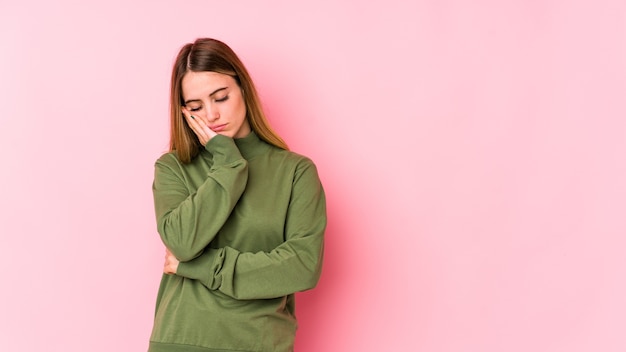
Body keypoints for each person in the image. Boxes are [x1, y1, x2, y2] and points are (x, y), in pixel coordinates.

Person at [148, 38, 327, 352]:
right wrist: (228, 163)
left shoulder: (295, 172)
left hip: (258, 342)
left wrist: (199, 267)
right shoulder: (173, 168)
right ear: (185, 113)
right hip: (181, 339)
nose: (212, 115)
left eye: (221, 97)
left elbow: (302, 266)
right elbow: (181, 242)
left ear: (243, 88)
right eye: (196, 107)